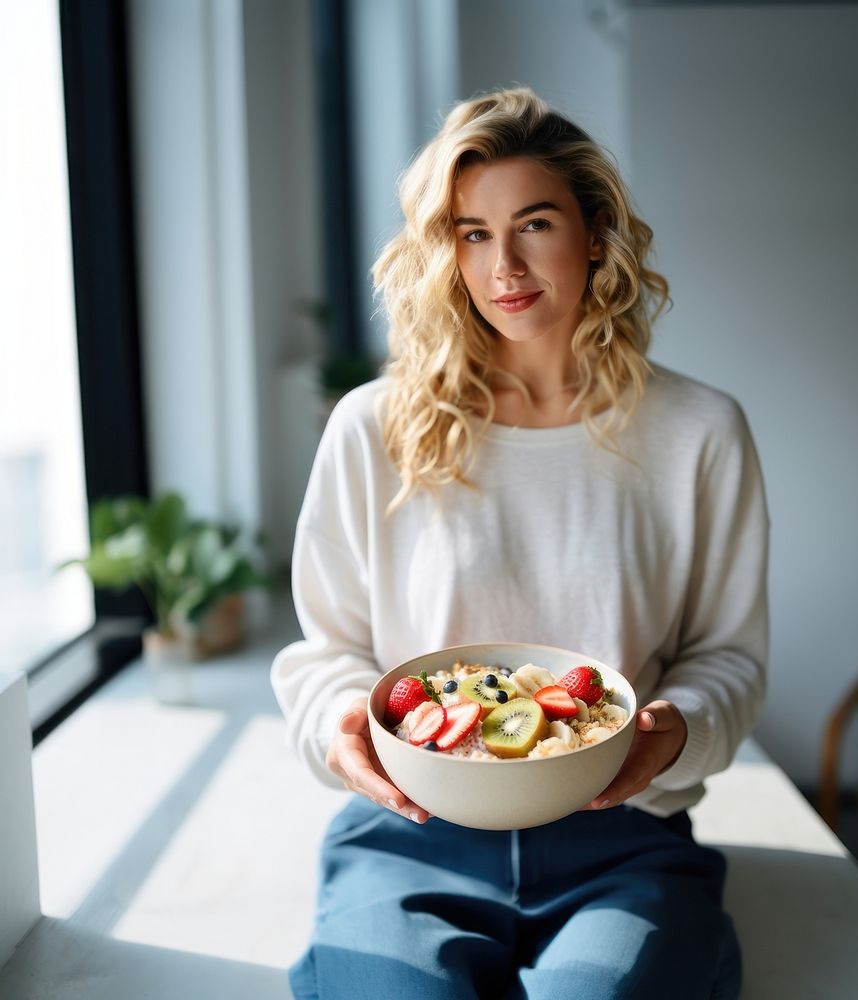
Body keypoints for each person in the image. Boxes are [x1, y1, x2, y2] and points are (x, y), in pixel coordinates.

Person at [271, 86, 768, 999]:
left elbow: (728, 657)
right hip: (410, 839)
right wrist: (337, 726)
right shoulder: (372, 427)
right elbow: (328, 653)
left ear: (595, 231)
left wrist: (675, 731)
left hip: (622, 837)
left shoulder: (699, 431)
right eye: (469, 232)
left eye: (534, 223)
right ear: (443, 252)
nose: (504, 264)